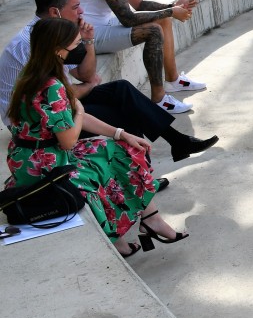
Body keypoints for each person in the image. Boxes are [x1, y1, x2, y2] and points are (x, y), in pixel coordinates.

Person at [5, 18, 188, 258]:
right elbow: (69, 139)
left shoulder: (31, 74)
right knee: (114, 160)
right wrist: (80, 111)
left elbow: (71, 120)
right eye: (77, 44)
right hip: (47, 167)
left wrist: (121, 133)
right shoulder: (51, 85)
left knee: (121, 145)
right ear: (58, 49)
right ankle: (130, 231)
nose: (80, 48)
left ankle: (149, 220)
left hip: (29, 158)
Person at [0, 0, 218, 162]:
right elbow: (53, 96)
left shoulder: (55, 33)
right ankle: (144, 176)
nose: (82, 11)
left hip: (56, 103)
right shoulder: (31, 43)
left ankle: (173, 146)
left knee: (121, 90)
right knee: (124, 112)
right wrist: (86, 87)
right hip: (32, 121)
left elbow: (84, 75)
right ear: (55, 12)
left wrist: (89, 42)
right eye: (76, 7)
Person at [65, 0, 206, 114]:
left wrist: (173, 7)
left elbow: (138, 3)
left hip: (102, 24)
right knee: (153, 31)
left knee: (161, 19)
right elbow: (128, 19)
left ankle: (173, 80)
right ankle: (159, 99)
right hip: (85, 35)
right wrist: (172, 11)